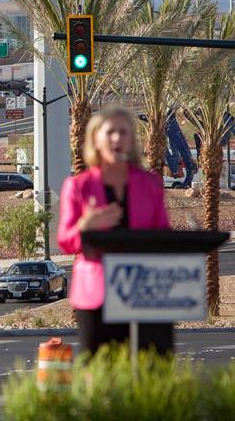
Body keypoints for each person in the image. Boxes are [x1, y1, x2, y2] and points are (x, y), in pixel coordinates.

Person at [57, 107, 172, 356]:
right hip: (96, 294)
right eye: (110, 132)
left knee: (151, 369)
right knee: (99, 372)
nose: (117, 139)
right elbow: (65, 241)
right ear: (96, 139)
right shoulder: (77, 187)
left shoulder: (150, 183)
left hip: (143, 291)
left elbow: (164, 234)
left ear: (132, 140)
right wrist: (84, 226)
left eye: (123, 132)